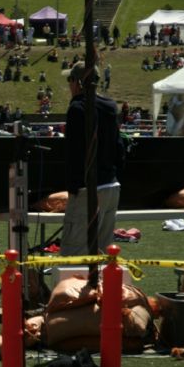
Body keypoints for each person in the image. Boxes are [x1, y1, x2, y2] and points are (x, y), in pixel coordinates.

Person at [60, 61, 123, 256]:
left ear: (78, 83)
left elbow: (74, 152)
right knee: (102, 252)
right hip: (111, 186)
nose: (69, 85)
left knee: (74, 253)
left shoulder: (77, 108)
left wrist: (73, 187)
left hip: (88, 189)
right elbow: (118, 148)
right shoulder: (110, 107)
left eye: (70, 79)